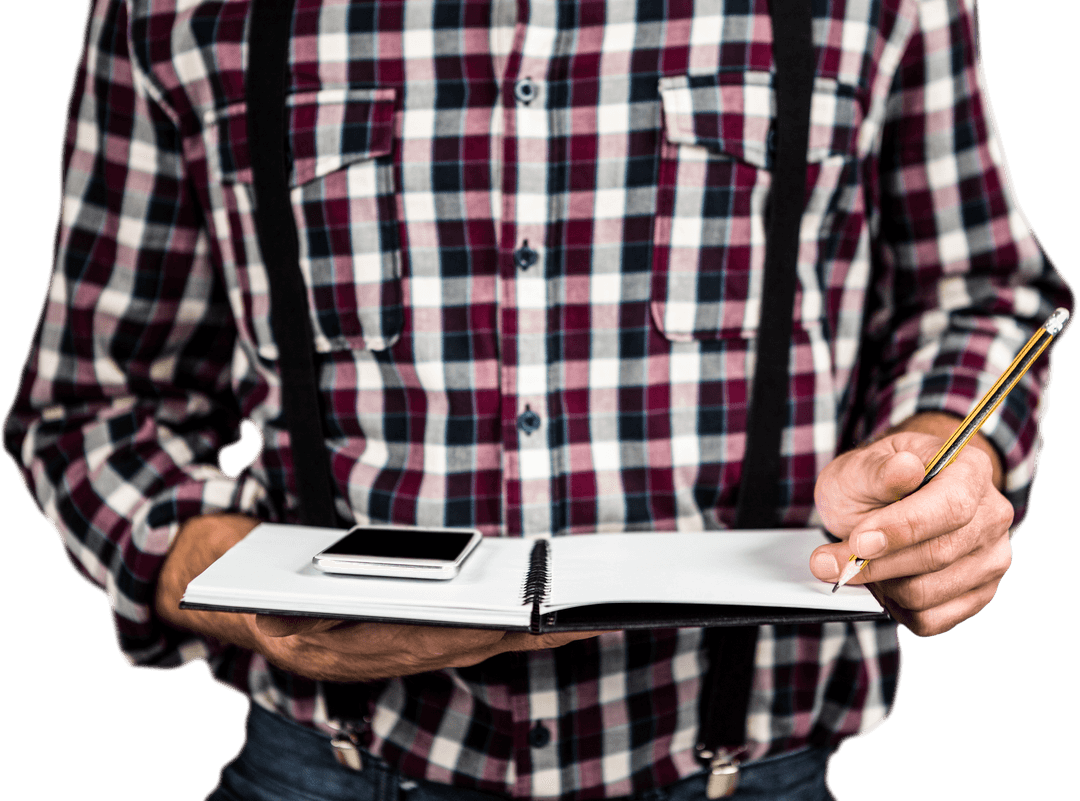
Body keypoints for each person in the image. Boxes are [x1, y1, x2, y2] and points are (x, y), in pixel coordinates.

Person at [3, 0, 1072, 800]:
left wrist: (944, 457)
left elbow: (974, 292)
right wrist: (231, 584)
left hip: (750, 771)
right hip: (329, 766)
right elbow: (97, 403)